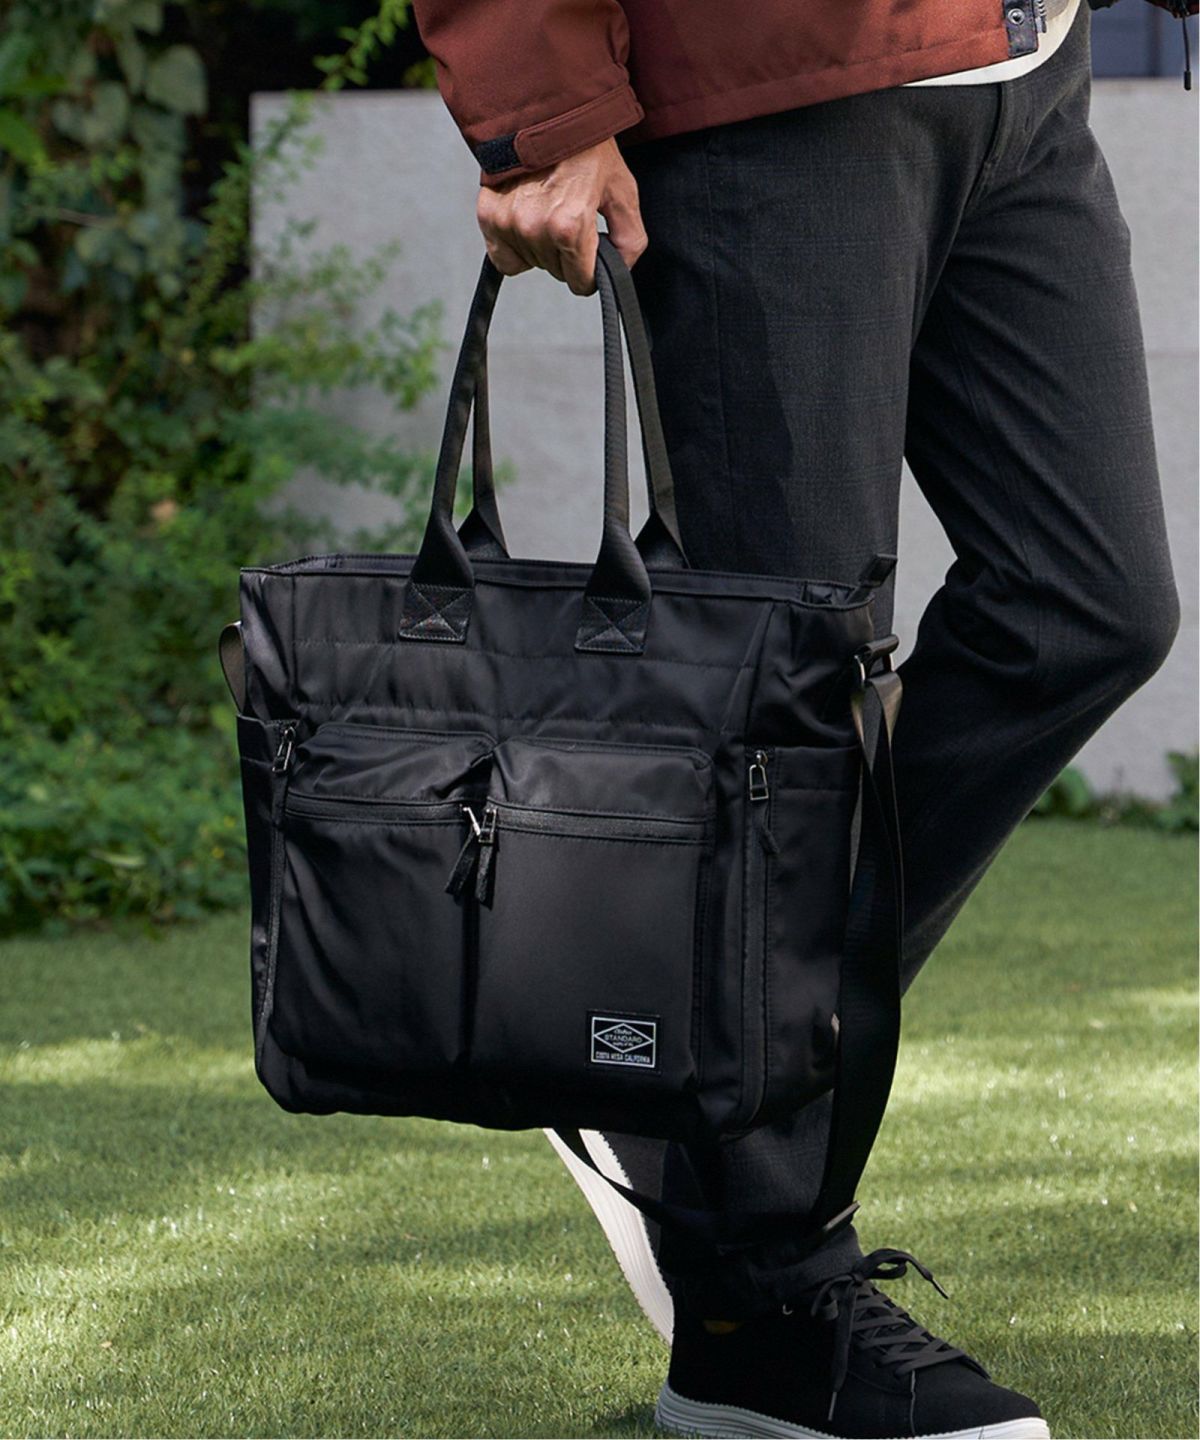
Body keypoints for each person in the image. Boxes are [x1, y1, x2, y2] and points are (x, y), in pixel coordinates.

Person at [408, 1, 1192, 1435]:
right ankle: (752, 1315)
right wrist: (543, 108)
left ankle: (652, 1045)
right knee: (790, 698)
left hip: (1025, 64)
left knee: (1086, 606)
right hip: (769, 86)